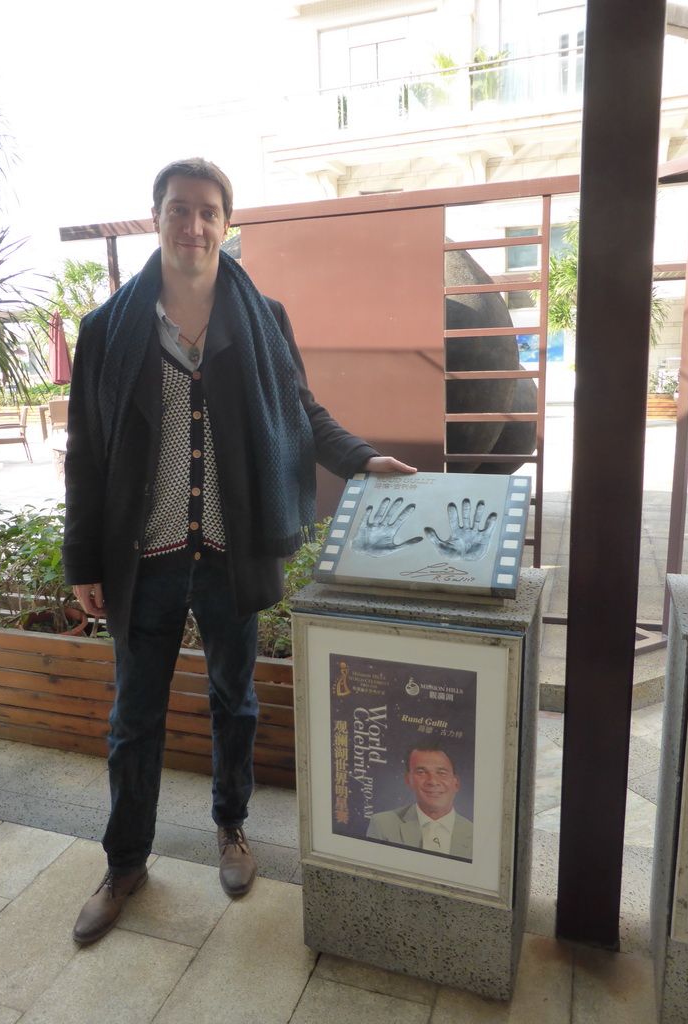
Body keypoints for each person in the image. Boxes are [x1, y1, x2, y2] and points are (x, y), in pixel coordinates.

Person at [62, 157, 416, 944]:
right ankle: (125, 862)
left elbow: (302, 411)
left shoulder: (264, 317)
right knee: (133, 720)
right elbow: (85, 454)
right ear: (154, 217)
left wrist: (361, 458)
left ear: (227, 223)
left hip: (232, 553)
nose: (194, 226)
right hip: (142, 558)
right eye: (179, 210)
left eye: (209, 212)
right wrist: (81, 560)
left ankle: (232, 828)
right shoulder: (105, 330)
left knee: (236, 703)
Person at [366, 742, 473, 859]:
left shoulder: (475, 835)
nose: (432, 781)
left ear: (456, 783)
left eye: (441, 773)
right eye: (421, 772)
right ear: (408, 780)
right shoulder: (382, 826)